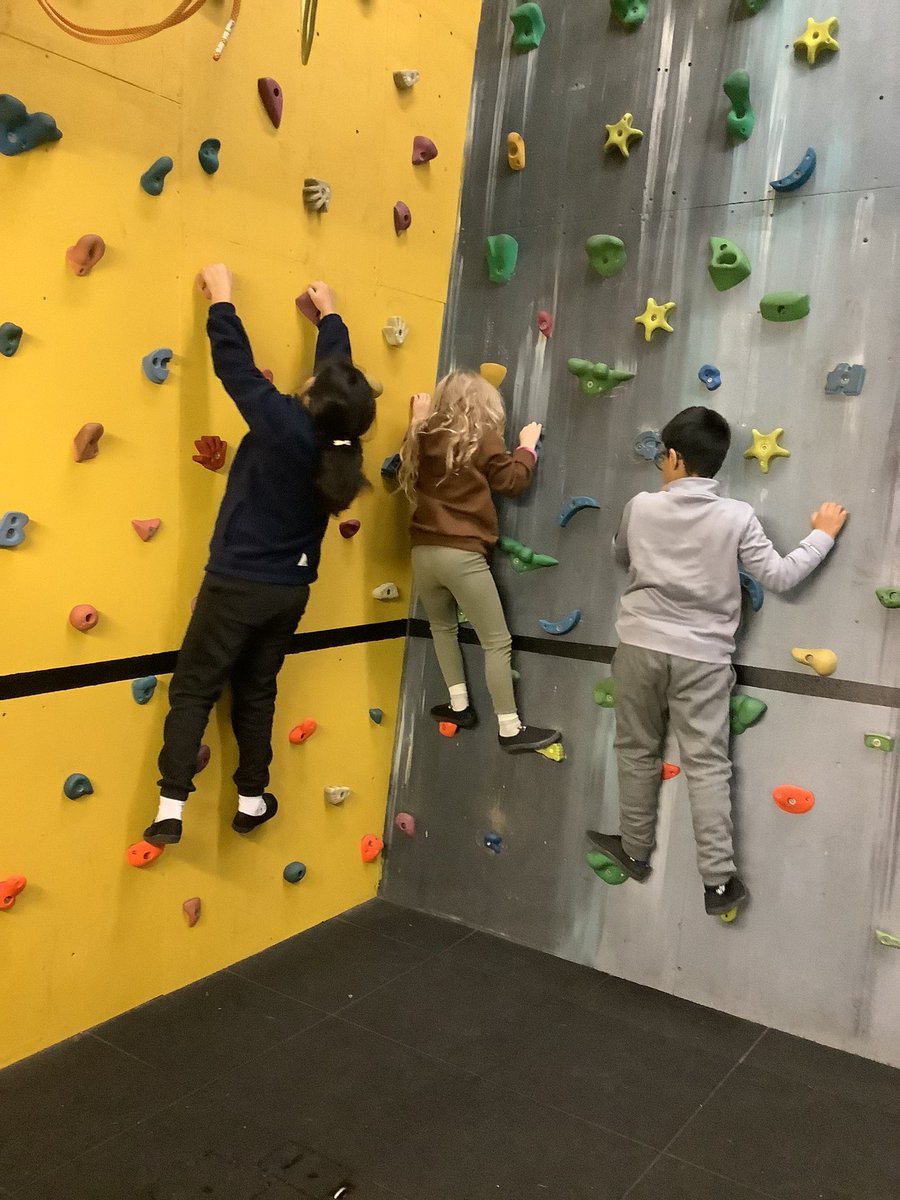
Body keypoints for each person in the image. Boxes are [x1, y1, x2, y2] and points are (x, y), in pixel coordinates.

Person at [143, 265, 376, 846]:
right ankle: (251, 796)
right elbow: (339, 381)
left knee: (195, 688)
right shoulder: (339, 445)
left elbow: (235, 369)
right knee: (256, 689)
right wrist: (331, 316)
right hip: (288, 592)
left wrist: (221, 299)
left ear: (312, 394)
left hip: (236, 582)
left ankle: (170, 806)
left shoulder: (282, 422)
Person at [588, 406, 848, 914]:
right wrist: (823, 532)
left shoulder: (640, 506)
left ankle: (635, 850)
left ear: (676, 458)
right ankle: (720, 883)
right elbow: (780, 576)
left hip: (639, 648)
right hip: (704, 658)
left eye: (663, 457)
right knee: (707, 764)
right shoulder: (736, 517)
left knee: (636, 748)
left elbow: (622, 558)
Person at [399, 370, 561, 753]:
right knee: (496, 641)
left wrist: (418, 419)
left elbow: (408, 453)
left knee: (442, 628)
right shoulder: (481, 438)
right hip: (462, 555)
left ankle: (459, 707)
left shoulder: (421, 435)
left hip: (423, 554)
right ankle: (509, 727)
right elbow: (513, 482)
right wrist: (527, 446)